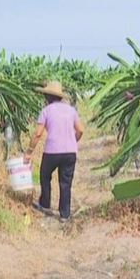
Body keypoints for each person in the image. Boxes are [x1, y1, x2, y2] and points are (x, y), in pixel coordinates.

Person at [23, 81, 84, 223]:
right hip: (70, 152)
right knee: (65, 182)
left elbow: (37, 133)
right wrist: (73, 141)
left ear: (47, 97)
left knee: (44, 175)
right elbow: (81, 130)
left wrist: (29, 151)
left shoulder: (46, 111)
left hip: (52, 151)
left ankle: (45, 203)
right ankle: (64, 215)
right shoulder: (71, 110)